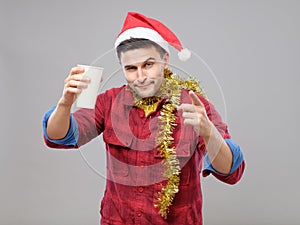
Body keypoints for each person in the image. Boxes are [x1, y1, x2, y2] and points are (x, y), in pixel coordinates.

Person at [42, 12, 245, 225]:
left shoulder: (194, 105)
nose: (140, 77)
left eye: (148, 65)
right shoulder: (109, 102)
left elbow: (231, 172)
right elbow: (59, 137)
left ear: (165, 60)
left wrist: (208, 131)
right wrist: (65, 103)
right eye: (131, 68)